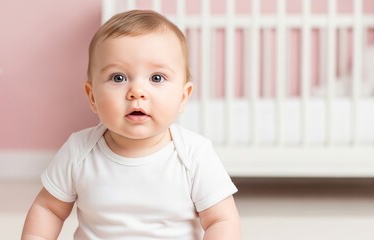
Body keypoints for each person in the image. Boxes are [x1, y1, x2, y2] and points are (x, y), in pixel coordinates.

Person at [22, 9, 241, 240]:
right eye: (118, 78)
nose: (137, 92)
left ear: (183, 97)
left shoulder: (194, 154)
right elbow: (49, 209)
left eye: (157, 78)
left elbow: (222, 219)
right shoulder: (79, 150)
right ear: (92, 96)